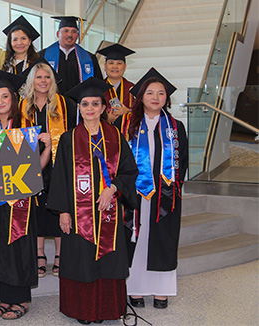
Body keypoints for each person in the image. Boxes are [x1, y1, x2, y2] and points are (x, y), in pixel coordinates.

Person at [47, 77, 138, 324]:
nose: (89, 108)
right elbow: (61, 177)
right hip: (78, 214)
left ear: (103, 107)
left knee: (108, 256)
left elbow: (129, 171)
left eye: (95, 103)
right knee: (81, 259)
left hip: (108, 210)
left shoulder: (115, 136)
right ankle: (83, 311)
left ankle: (108, 309)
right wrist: (63, 211)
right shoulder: (69, 138)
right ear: (80, 108)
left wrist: (114, 188)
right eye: (85, 104)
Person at [0, 70, 51, 320]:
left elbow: (37, 168)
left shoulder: (26, 127)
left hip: (20, 199)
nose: (0, 101)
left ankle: (19, 298)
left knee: (18, 245)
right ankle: (2, 296)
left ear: (13, 98)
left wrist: (49, 147)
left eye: (5, 96)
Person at [117, 68, 188, 310]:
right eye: (150, 92)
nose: (156, 97)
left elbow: (183, 161)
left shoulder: (176, 127)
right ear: (140, 97)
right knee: (135, 236)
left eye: (161, 93)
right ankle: (135, 288)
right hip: (133, 193)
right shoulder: (124, 124)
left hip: (164, 195)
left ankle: (161, 290)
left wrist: (172, 188)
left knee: (162, 240)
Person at [19, 58, 71, 279]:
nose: (43, 81)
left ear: (52, 81)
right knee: (35, 208)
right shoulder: (22, 104)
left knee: (57, 204)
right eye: (39, 77)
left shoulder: (65, 103)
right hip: (31, 162)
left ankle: (60, 254)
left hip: (57, 162)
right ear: (32, 80)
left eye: (47, 77)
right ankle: (39, 253)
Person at [40, 16, 103, 94]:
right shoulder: (42, 56)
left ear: (77, 35)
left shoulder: (90, 58)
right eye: (66, 31)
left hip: (79, 104)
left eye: (73, 31)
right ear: (58, 33)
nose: (70, 35)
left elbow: (97, 85)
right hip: (52, 103)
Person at [96, 43, 136, 123]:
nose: (115, 66)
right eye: (111, 63)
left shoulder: (133, 89)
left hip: (127, 133)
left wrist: (128, 111)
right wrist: (105, 118)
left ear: (124, 67)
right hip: (104, 132)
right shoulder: (97, 88)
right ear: (105, 66)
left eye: (119, 63)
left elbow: (143, 113)